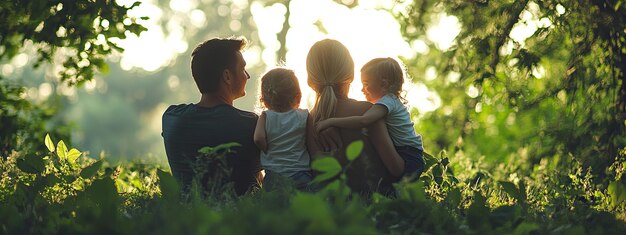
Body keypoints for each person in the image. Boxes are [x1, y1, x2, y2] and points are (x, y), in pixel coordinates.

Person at [162, 37, 262, 196]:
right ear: (227, 76)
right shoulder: (249, 124)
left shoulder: (171, 118)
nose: (247, 75)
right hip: (239, 216)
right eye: (243, 69)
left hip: (187, 214)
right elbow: (260, 179)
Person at [305, 39, 405, 194]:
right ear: (351, 75)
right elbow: (396, 169)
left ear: (310, 81)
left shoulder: (310, 121)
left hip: (333, 210)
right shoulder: (367, 111)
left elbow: (318, 174)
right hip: (374, 209)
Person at [315, 58, 425, 180]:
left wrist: (330, 121)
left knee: (393, 186)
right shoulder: (391, 101)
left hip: (409, 155)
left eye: (366, 84)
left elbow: (363, 121)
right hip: (411, 153)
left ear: (383, 84)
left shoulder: (387, 102)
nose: (362, 89)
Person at [253, 68, 313, 191]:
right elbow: (311, 144)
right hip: (300, 173)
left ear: (264, 101)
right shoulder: (304, 116)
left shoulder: (265, 117)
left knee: (273, 208)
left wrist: (267, 148)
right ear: (298, 97)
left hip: (274, 176)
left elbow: (258, 138)